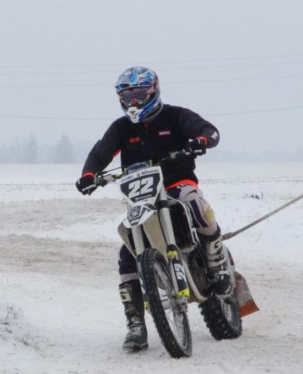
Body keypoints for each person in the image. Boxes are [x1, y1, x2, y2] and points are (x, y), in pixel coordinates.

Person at [76, 66, 231, 352]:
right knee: (127, 255)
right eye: (127, 96)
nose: (133, 102)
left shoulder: (175, 115)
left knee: (193, 203)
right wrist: (89, 175)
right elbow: (100, 151)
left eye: (138, 95)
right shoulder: (121, 128)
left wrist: (202, 140)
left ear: (153, 91)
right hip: (142, 198)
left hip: (177, 184)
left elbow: (207, 130)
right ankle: (135, 324)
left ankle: (216, 262)